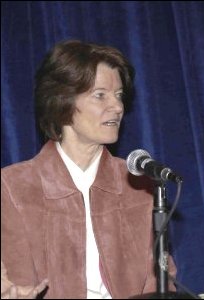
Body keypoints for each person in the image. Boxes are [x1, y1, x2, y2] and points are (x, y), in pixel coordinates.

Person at [1, 40, 176, 299]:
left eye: (119, 96)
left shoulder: (139, 183)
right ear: (63, 103)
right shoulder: (14, 186)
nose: (117, 107)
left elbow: (159, 282)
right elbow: (19, 281)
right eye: (100, 95)